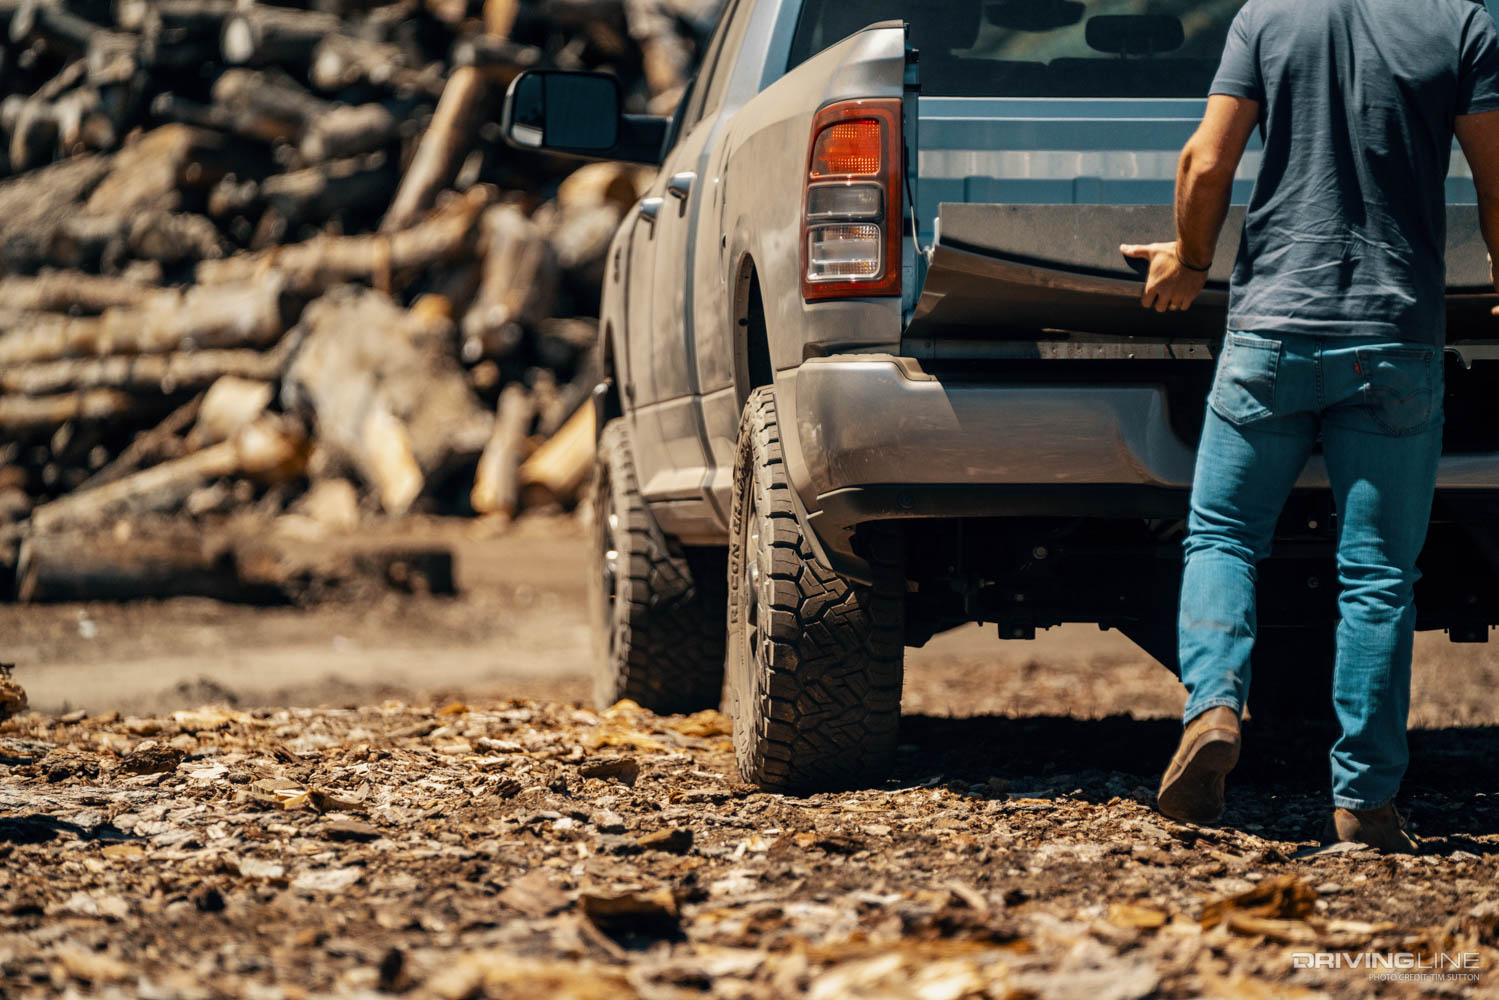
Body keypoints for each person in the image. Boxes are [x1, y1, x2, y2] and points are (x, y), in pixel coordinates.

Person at [1120, 0, 1499, 852]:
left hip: (1271, 335)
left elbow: (1206, 159)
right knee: (1378, 578)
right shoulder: (1461, 24)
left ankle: (1214, 708)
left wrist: (1189, 259)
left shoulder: (1267, 15)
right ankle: (1364, 802)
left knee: (1222, 536)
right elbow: (1496, 178)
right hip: (1394, 338)